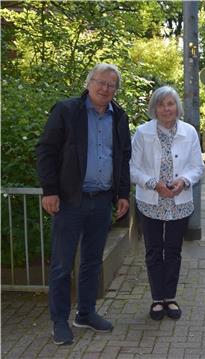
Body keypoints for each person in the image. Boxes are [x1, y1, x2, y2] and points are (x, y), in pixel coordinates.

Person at [36, 63, 131, 345]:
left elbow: (122, 157)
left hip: (102, 201)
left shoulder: (119, 117)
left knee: (92, 262)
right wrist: (50, 191)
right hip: (69, 201)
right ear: (89, 83)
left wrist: (122, 194)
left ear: (116, 90)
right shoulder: (66, 111)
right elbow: (46, 150)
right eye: (101, 82)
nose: (105, 89)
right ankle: (59, 321)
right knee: (63, 265)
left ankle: (86, 313)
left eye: (111, 85)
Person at [130, 86, 204, 321]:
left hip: (178, 202)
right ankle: (156, 299)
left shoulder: (189, 132)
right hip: (150, 201)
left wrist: (184, 181)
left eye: (170, 103)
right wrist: (153, 183)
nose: (166, 109)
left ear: (177, 107)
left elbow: (197, 166)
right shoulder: (142, 133)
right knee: (153, 251)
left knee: (173, 251)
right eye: (161, 104)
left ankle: (169, 297)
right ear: (154, 108)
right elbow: (132, 168)